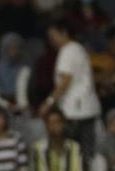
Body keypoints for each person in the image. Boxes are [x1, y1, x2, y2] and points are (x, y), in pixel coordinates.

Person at [42, 20, 101, 153]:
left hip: (74, 111)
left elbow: (65, 80)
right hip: (87, 109)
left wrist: (49, 102)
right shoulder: (78, 48)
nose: (52, 41)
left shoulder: (67, 51)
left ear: (64, 33)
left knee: (72, 153)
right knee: (86, 153)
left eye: (53, 36)